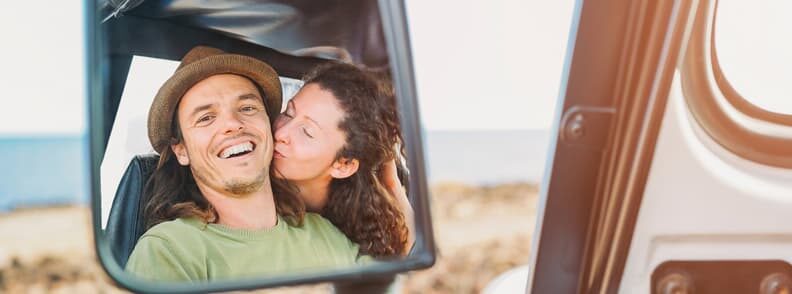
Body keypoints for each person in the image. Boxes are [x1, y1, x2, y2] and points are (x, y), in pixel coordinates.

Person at [125, 46, 370, 282]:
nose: (232, 123)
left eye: (247, 107)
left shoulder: (322, 234)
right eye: (206, 117)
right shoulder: (169, 251)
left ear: (268, 123)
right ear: (182, 150)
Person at [270, 63, 415, 258]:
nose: (280, 132)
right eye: (288, 113)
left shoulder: (363, 225)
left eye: (307, 132)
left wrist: (392, 182)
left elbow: (406, 255)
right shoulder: (256, 198)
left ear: (343, 165)